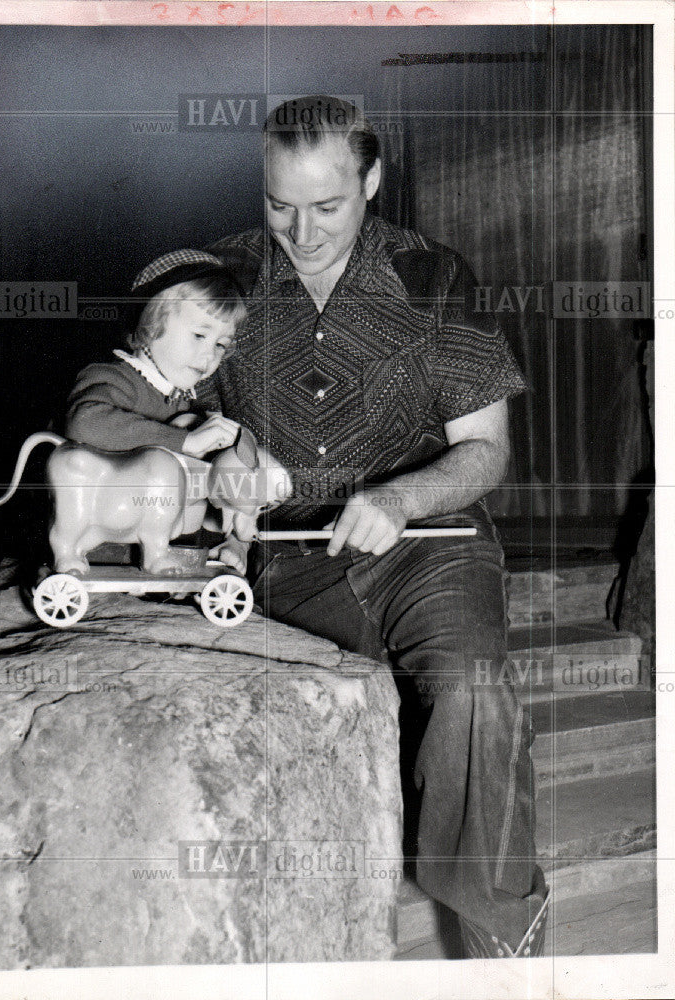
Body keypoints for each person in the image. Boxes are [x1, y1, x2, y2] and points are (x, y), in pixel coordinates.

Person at [199, 95, 549, 958]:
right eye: (280, 206)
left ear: (374, 180)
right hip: (287, 562)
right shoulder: (217, 279)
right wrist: (213, 467)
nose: (303, 231)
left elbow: (485, 452)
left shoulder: (436, 277)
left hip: (428, 545)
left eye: (328, 206)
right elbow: (169, 423)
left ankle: (505, 942)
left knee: (471, 693)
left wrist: (397, 500)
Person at [66, 249, 245, 460]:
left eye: (220, 345)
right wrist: (185, 441)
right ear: (152, 325)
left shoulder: (184, 401)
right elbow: (84, 423)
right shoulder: (117, 379)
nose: (209, 354)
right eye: (199, 335)